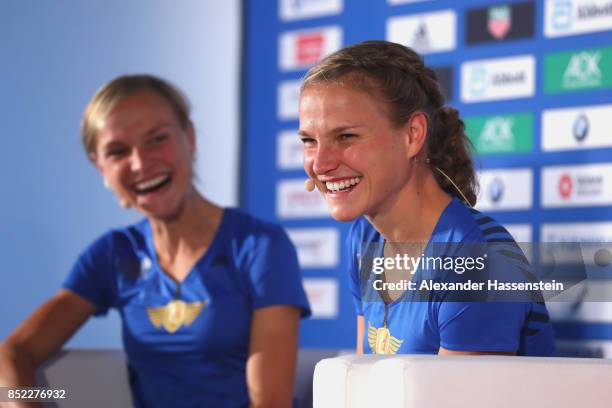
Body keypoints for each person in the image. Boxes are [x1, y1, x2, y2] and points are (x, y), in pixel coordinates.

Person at [0, 75, 310, 407]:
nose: (140, 162)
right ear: (100, 167)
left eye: (157, 139)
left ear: (189, 138)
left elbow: (270, 403)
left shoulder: (259, 246)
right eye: (118, 151)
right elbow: (13, 354)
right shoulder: (111, 255)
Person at [299, 40, 554, 356]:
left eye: (346, 136)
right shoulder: (364, 237)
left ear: (412, 135)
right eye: (309, 141)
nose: (320, 164)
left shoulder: (479, 260)